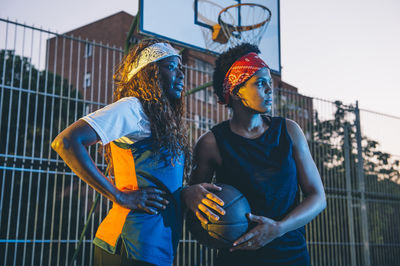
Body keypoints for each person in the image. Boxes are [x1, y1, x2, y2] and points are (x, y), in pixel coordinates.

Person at [182, 43, 326, 265]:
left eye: (270, 83)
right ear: (237, 90)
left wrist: (278, 229)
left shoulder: (288, 131)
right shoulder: (211, 143)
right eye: (260, 83)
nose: (270, 90)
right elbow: (195, 208)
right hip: (237, 259)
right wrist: (188, 194)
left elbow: (317, 197)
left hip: (291, 256)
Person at [52, 39, 190, 266]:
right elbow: (66, 142)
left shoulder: (161, 120)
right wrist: (119, 195)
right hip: (129, 244)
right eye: (171, 67)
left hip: (156, 245)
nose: (181, 75)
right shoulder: (133, 107)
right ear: (150, 73)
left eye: (181, 68)